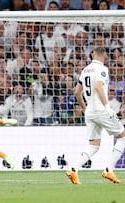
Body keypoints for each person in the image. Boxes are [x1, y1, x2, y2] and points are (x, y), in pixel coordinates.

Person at [66, 47, 125, 184]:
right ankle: (109, 170)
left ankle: (73, 169)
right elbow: (98, 87)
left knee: (93, 145)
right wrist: (107, 106)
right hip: (101, 111)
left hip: (90, 112)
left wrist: (84, 108)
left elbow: (77, 92)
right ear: (104, 55)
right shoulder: (103, 69)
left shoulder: (85, 70)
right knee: (122, 137)